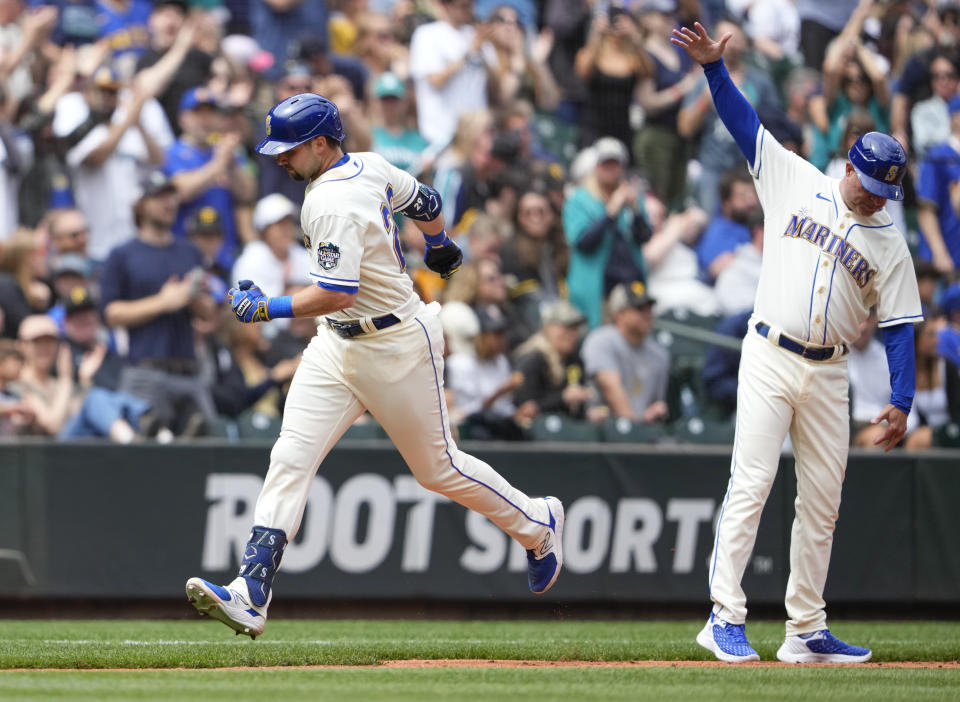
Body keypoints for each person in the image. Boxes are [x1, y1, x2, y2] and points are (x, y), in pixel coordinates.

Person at [185, 93, 564, 639]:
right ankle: (250, 590)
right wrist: (438, 243)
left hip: (395, 343)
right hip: (335, 347)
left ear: (320, 142)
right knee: (291, 454)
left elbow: (338, 291)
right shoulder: (369, 163)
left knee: (438, 469)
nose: (280, 160)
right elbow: (427, 199)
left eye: (289, 150)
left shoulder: (331, 201)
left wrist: (268, 307)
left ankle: (537, 524)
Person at [672, 21, 922, 664]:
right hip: (769, 354)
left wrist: (901, 398)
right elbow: (743, 122)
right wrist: (712, 70)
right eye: (871, 188)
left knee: (823, 504)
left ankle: (805, 630)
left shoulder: (888, 237)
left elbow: (897, 323)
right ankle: (723, 617)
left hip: (830, 370)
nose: (876, 201)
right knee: (751, 483)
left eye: (886, 193)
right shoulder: (794, 179)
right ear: (849, 167)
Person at [98, 169, 217, 437]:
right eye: (159, 197)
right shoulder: (122, 254)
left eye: (172, 196)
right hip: (145, 371)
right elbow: (110, 313)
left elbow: (209, 313)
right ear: (140, 205)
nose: (169, 203)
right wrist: (163, 302)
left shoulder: (190, 252)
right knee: (145, 455)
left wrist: (195, 298)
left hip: (189, 370)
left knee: (209, 447)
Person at [580, 280, 669, 424]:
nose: (647, 313)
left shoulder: (659, 353)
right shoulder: (602, 340)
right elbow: (611, 389)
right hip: (606, 430)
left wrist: (654, 413)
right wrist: (635, 429)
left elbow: (656, 403)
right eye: (639, 308)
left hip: (644, 430)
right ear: (619, 314)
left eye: (649, 307)